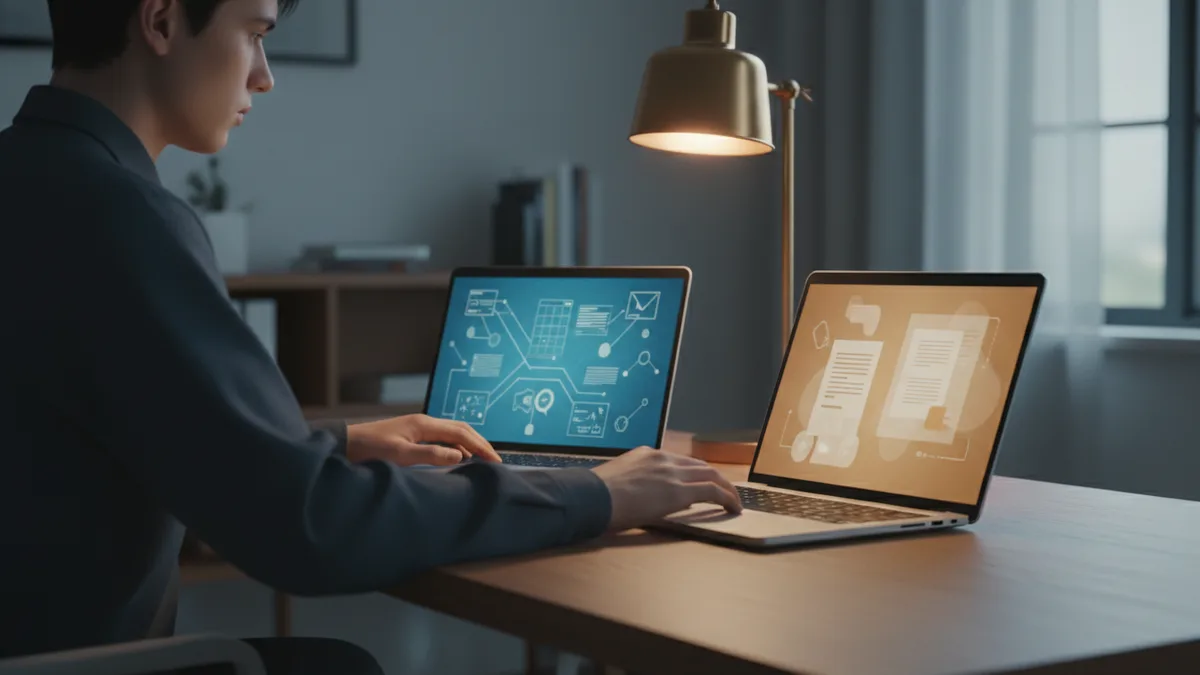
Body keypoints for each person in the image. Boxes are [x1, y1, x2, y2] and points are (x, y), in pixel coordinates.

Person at [0, 0, 742, 672]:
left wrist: (340, 444)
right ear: (160, 21)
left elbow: (114, 444)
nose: (264, 77)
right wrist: (594, 494)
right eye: (255, 34)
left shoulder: (32, 178)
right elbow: (307, 528)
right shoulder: (123, 219)